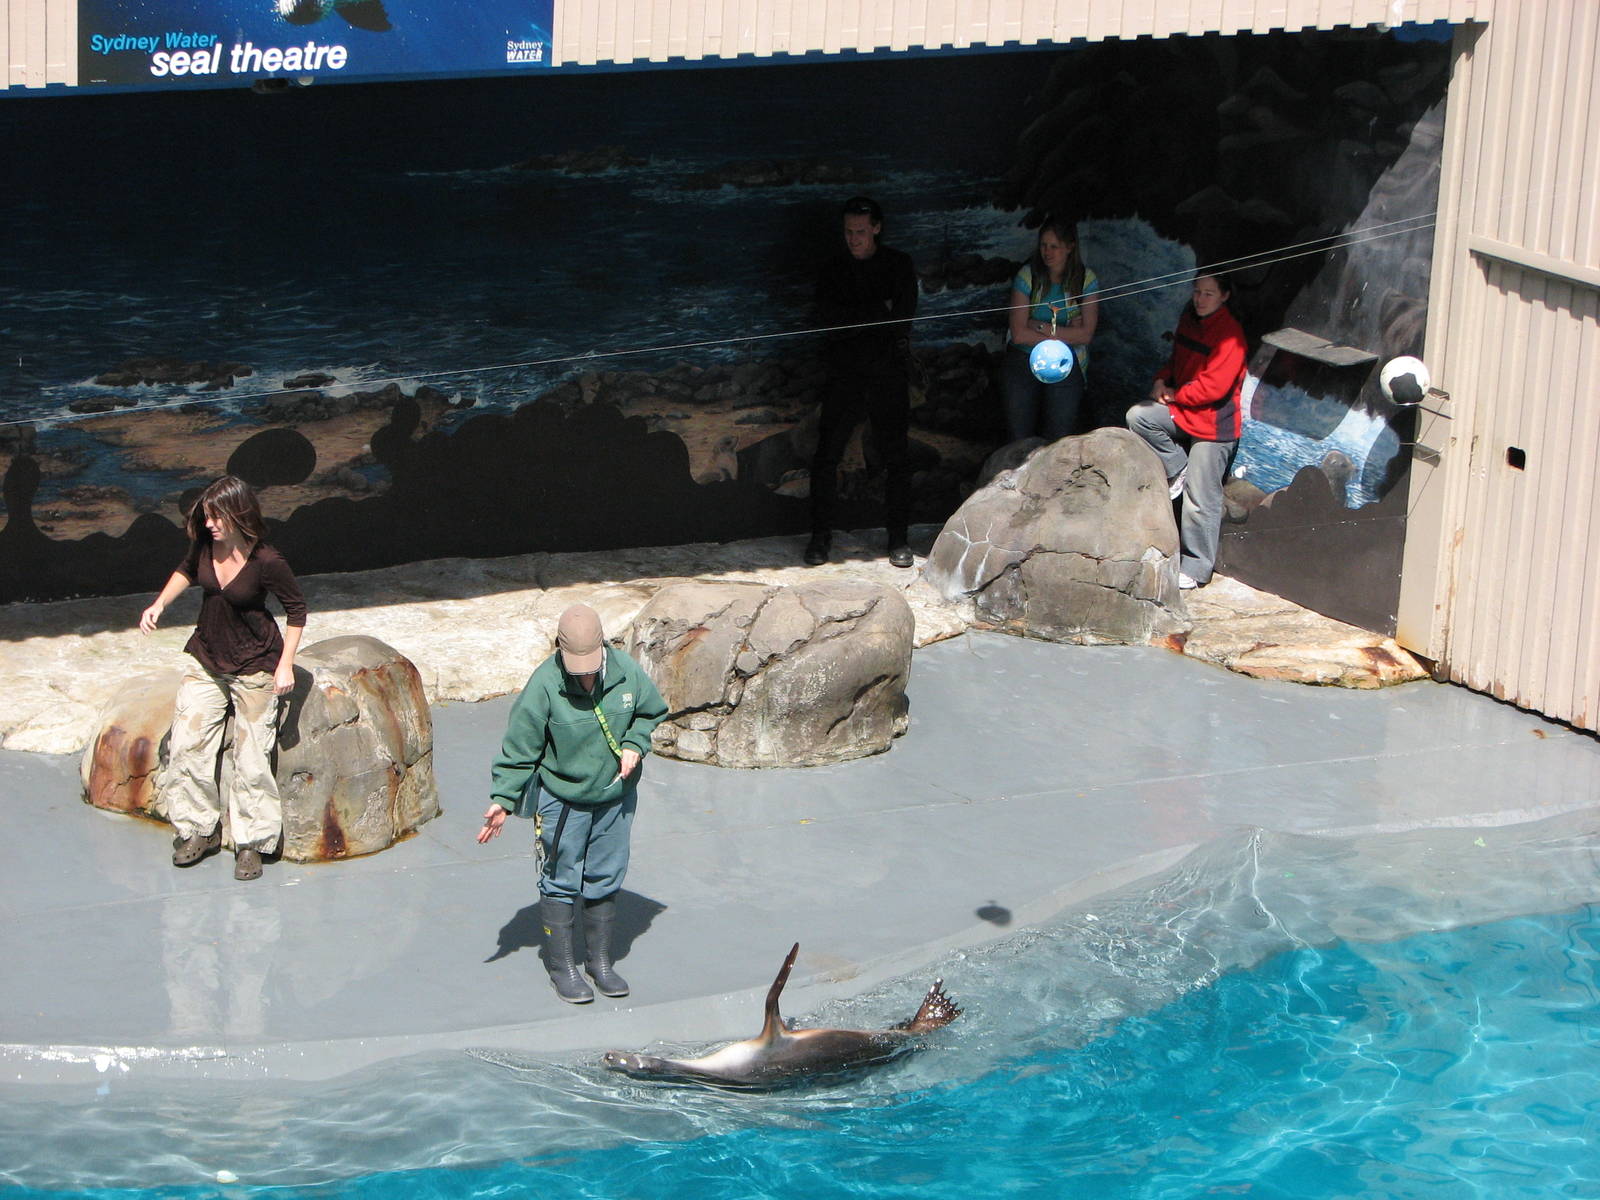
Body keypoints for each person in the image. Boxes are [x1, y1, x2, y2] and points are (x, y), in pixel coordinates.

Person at [479, 603, 668, 1004]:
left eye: (590, 663)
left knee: (606, 874)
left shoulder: (626, 672)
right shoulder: (544, 685)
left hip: (615, 796)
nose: (584, 672)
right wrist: (502, 799)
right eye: (576, 665)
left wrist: (635, 744)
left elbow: (650, 713)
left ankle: (599, 962)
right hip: (563, 801)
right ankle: (562, 967)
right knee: (561, 879)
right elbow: (519, 749)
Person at [139, 475, 306, 881]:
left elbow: (296, 611)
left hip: (254, 665)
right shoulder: (204, 545)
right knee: (187, 744)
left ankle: (250, 842)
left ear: (238, 513)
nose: (209, 524)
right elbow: (185, 571)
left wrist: (285, 664)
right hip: (207, 657)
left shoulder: (267, 561)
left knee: (251, 758)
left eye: (216, 517)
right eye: (206, 517)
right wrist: (159, 604)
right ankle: (198, 830)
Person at [806, 195, 919, 569]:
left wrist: (856, 321)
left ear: (876, 229)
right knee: (826, 456)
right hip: (845, 374)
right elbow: (826, 322)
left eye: (859, 231)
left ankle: (898, 538)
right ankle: (820, 537)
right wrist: (874, 312)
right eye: (848, 232)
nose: (853, 239)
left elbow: (901, 321)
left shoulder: (899, 265)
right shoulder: (832, 269)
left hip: (887, 373)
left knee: (896, 457)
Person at [1125, 272, 1247, 590]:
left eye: (1208, 293)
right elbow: (1175, 360)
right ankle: (1179, 467)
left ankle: (1196, 567)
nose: (1200, 299)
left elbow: (1214, 388)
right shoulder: (1189, 321)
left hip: (1214, 426)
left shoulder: (1230, 335)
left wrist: (1176, 396)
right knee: (1139, 416)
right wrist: (1161, 382)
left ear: (1225, 296)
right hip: (1184, 411)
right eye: (1197, 292)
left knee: (1200, 497)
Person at [1002, 217, 1100, 442]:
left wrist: (1038, 325)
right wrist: (1066, 333)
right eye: (1044, 245)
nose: (1047, 252)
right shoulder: (1028, 275)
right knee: (1019, 435)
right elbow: (1018, 333)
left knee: (1060, 434)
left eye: (1054, 246)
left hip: (1067, 361)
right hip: (1023, 357)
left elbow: (1086, 335)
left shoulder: (1086, 279)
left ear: (1070, 247)